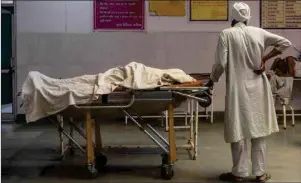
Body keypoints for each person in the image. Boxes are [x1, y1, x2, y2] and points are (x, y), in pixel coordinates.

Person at [204, 2, 292, 183]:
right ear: (248, 17)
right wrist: (264, 58)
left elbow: (220, 64)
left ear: (233, 17)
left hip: (237, 90)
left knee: (238, 130)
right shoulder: (258, 32)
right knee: (258, 130)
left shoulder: (226, 34)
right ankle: (260, 173)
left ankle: (239, 174)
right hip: (258, 88)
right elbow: (285, 43)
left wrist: (212, 80)